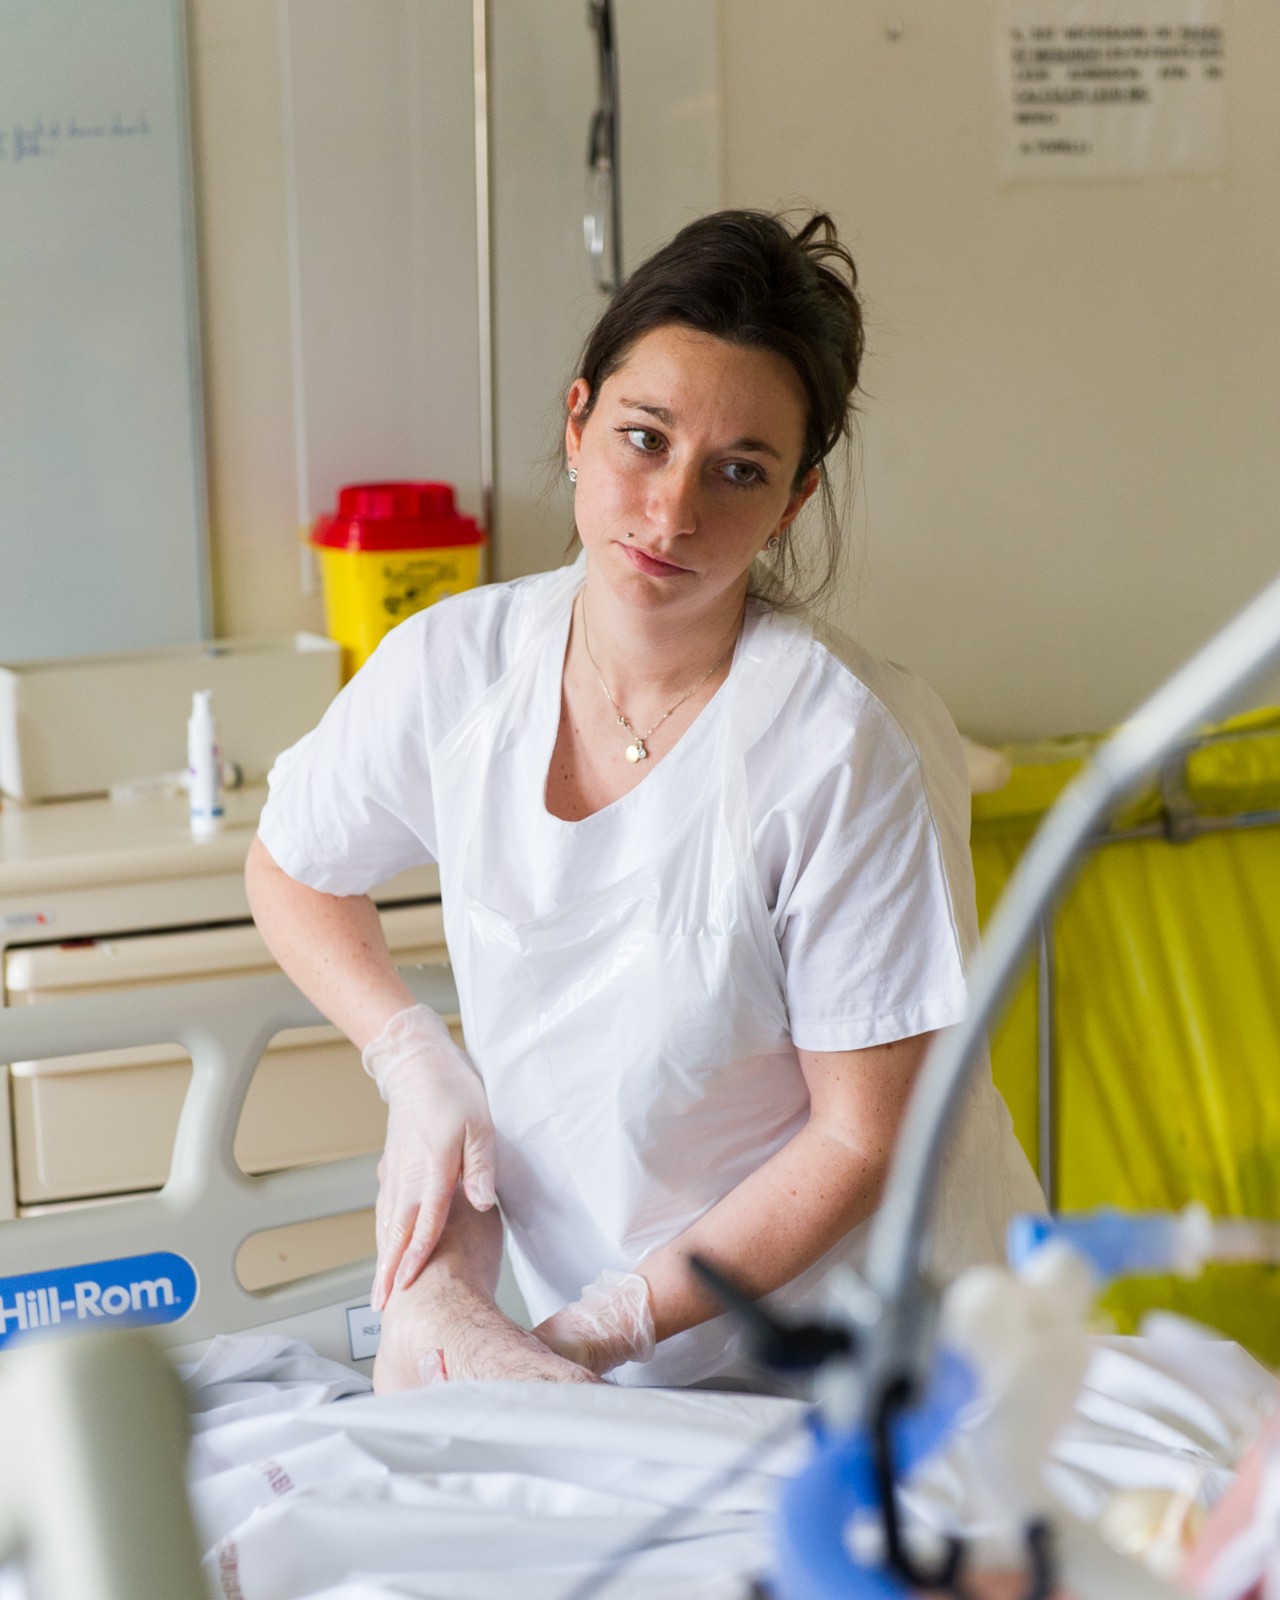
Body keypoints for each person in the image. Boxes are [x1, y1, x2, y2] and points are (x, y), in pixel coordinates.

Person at [246, 208, 1044, 1394]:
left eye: (738, 471)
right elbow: (293, 865)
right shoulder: (452, 668)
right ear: (576, 425)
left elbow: (857, 1138)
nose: (671, 513)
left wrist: (601, 1326)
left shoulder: (841, 748)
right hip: (620, 1370)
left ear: (790, 500)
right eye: (642, 438)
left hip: (877, 1359)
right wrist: (412, 1059)